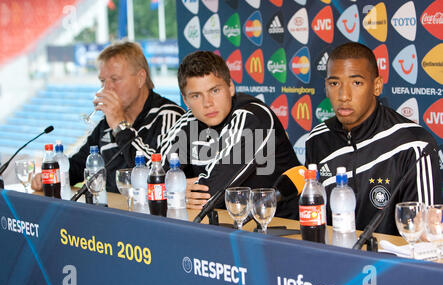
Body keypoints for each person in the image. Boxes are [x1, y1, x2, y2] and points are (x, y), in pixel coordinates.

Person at [305, 42, 442, 235]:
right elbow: (312, 215)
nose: (344, 96)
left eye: (357, 83)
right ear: (326, 87)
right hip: (333, 259)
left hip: (394, 263)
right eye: (335, 83)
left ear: (376, 86)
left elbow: (427, 235)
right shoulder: (317, 140)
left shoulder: (414, 145)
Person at [157, 51, 300, 219]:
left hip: (280, 228)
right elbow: (152, 176)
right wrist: (172, 188)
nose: (207, 103)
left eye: (215, 91)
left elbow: (212, 191)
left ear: (231, 87)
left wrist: (173, 189)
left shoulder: (253, 117)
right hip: (224, 224)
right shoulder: (187, 122)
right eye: (196, 96)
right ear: (186, 100)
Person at [31, 41, 184, 193]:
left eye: (115, 79)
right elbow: (78, 166)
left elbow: (161, 176)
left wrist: (120, 126)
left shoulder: (169, 117)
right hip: (112, 213)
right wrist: (51, 176)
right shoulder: (106, 124)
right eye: (103, 81)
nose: (107, 88)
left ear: (140, 78)